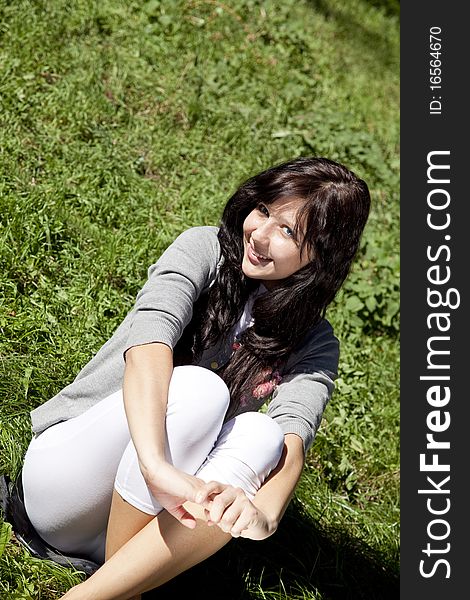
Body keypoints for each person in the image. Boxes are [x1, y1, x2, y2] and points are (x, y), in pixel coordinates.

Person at [20, 156, 370, 600]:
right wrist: (158, 468)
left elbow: (292, 441)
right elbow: (147, 348)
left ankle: (102, 592)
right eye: (262, 210)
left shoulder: (314, 341)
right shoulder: (204, 250)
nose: (259, 235)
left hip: (156, 528)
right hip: (68, 488)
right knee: (201, 391)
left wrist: (264, 514)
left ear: (322, 256)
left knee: (263, 433)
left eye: (287, 232)